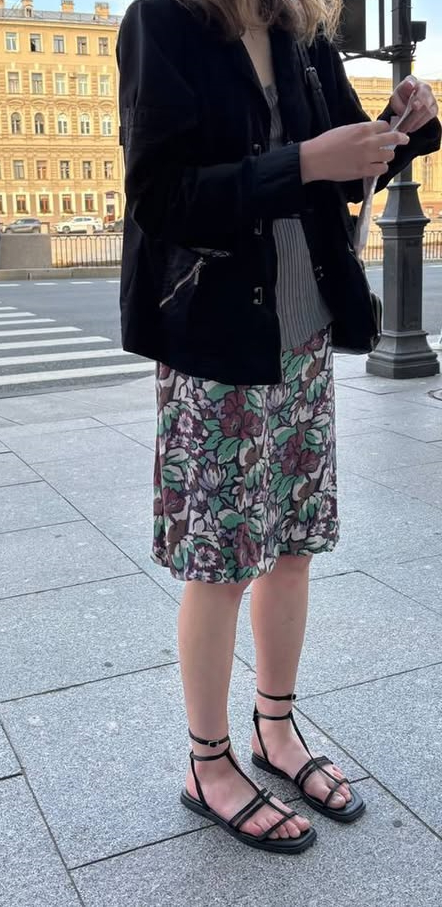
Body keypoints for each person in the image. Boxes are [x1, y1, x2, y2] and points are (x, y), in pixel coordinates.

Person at [117, 0, 440, 855]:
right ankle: (208, 762)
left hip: (301, 329)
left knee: (292, 547)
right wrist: (301, 162)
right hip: (215, 338)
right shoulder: (164, 20)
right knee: (221, 563)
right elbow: (161, 197)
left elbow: (346, 168)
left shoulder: (297, 29)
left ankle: (276, 728)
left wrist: (402, 127)